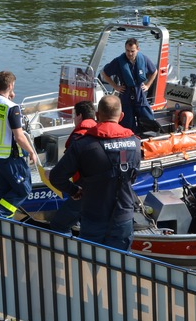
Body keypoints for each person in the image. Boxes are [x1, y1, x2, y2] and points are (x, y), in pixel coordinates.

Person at [48, 95, 140, 250]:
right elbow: (132, 178)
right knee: (120, 268)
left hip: (94, 217)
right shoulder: (135, 143)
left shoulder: (83, 144)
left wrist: (74, 191)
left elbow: (56, 177)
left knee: (90, 267)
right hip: (123, 217)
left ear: (97, 115)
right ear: (121, 116)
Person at [0, 71, 37, 219]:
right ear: (11, 85)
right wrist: (31, 151)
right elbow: (19, 137)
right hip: (10, 157)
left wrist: (6, 93)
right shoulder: (12, 108)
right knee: (23, 190)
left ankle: (5, 223)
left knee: (4, 193)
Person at [49, 100, 96, 234]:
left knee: (59, 225)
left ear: (80, 116)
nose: (74, 119)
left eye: (74, 116)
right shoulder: (100, 132)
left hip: (84, 190)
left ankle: (68, 253)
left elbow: (60, 174)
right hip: (103, 189)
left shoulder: (78, 138)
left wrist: (73, 191)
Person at [101, 38, 158, 133]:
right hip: (126, 96)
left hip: (140, 95)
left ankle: (147, 141)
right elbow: (104, 73)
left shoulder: (144, 59)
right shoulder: (118, 61)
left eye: (132, 51)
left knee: (149, 121)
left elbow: (154, 72)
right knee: (126, 125)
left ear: (137, 49)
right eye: (127, 50)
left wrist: (148, 85)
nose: (130, 53)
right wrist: (116, 87)